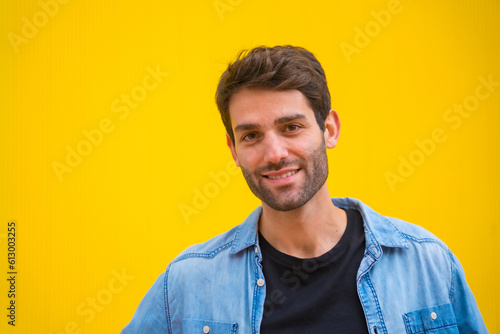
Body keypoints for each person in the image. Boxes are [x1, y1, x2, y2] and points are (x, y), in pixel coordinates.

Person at [122, 45, 488, 333]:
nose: (275, 153)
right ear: (234, 150)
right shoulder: (188, 284)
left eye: (291, 127)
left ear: (329, 129)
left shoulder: (426, 264)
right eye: (251, 136)